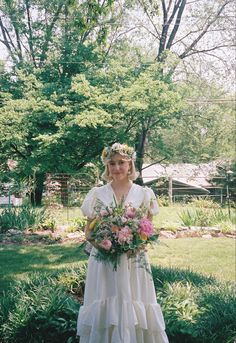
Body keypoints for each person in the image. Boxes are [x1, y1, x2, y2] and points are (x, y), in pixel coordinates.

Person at [77, 143, 169, 343]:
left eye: (121, 163)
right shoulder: (97, 194)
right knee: (106, 302)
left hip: (133, 261)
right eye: (112, 163)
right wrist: (106, 246)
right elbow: (88, 233)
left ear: (130, 165)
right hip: (103, 261)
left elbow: (147, 230)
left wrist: (134, 246)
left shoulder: (145, 194)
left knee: (134, 300)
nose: (117, 168)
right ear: (107, 166)